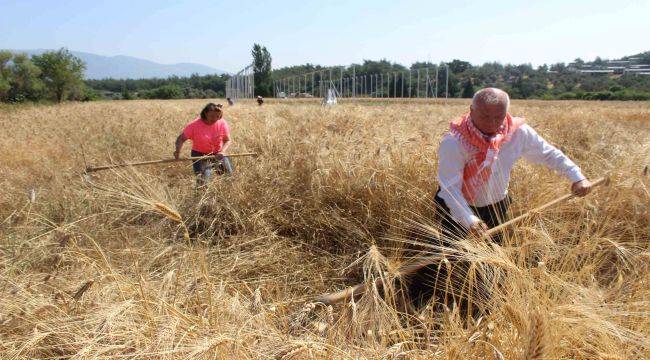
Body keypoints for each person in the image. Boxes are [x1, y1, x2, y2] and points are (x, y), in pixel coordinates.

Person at [407, 87, 594, 310]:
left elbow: (548, 153)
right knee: (447, 255)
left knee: (490, 257)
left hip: (496, 206)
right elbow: (449, 189)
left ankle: (479, 306)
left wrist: (576, 176)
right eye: (485, 116)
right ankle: (421, 302)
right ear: (471, 111)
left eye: (498, 116)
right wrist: (470, 221)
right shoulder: (455, 142)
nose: (492, 122)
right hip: (455, 208)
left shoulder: (517, 133)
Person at [174, 103, 233, 186]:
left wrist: (222, 152)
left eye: (218, 116)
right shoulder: (194, 125)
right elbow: (181, 139)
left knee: (228, 176)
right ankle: (200, 196)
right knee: (203, 181)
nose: (215, 119)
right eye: (212, 116)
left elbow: (227, 140)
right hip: (200, 155)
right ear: (205, 113)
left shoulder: (222, 122)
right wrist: (177, 152)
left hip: (218, 154)